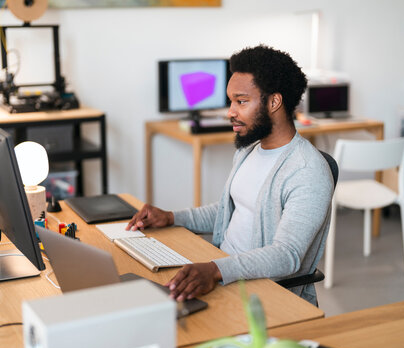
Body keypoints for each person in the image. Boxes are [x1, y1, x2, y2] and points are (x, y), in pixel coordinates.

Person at [127, 45, 334, 306]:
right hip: (227, 274)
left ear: (274, 102)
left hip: (264, 293)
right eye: (231, 101)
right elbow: (229, 210)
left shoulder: (307, 171)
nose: (230, 112)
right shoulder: (249, 151)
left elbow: (287, 255)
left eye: (241, 101)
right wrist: (171, 217)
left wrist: (216, 269)